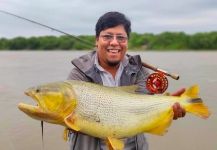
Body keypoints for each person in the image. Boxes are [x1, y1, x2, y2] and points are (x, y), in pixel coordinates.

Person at [67, 11, 186, 150]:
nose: (114, 42)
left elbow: (145, 112)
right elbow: (70, 119)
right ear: (96, 40)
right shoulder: (79, 74)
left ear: (127, 42)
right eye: (107, 36)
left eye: (121, 38)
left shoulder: (140, 71)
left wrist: (168, 109)